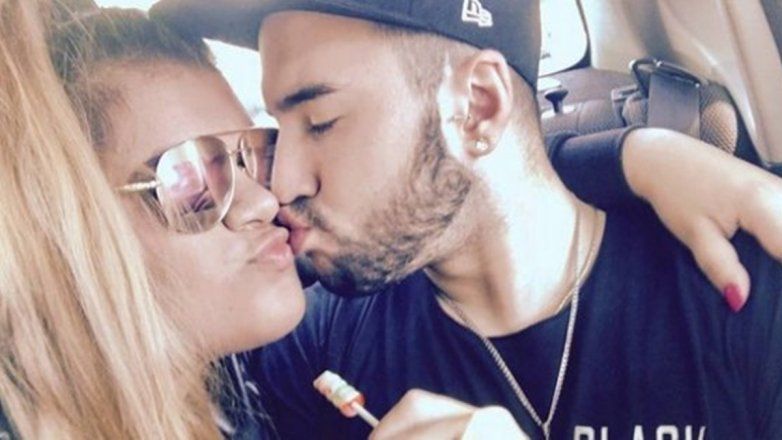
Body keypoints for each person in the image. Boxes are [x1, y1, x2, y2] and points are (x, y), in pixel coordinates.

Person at [150, 1, 782, 439]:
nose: (281, 184)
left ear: (477, 107)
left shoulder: (736, 283)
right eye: (276, 131)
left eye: (320, 123)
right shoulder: (312, 350)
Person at [0, 2, 305, 438]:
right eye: (189, 178)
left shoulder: (250, 393)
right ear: (68, 233)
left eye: (258, 155)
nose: (263, 203)